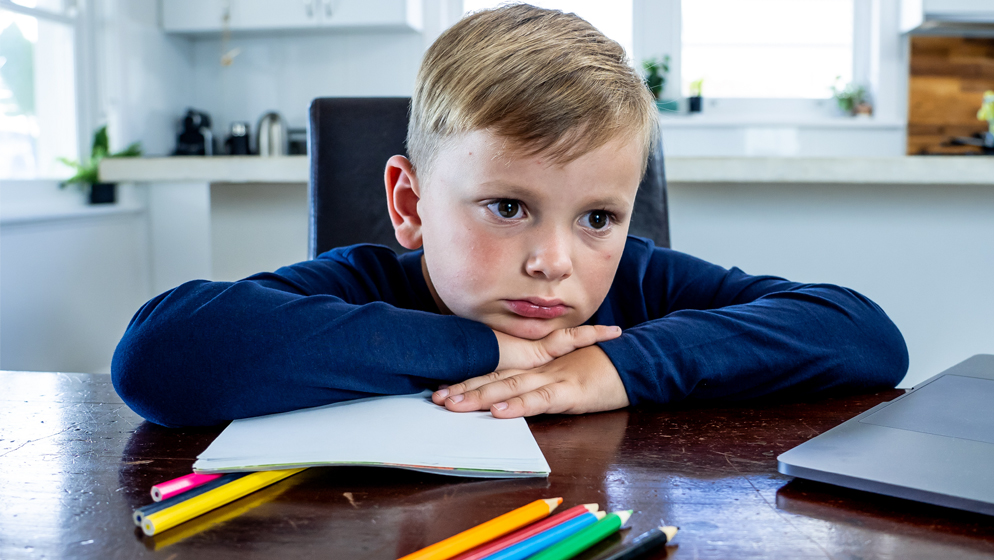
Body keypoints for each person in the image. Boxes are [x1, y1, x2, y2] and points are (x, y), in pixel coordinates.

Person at [111, 4, 907, 428]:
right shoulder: (362, 285)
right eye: (507, 207)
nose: (554, 261)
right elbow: (157, 355)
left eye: (597, 218)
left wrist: (617, 368)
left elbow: (864, 333)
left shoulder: (637, 283)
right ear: (410, 204)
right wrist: (493, 351)